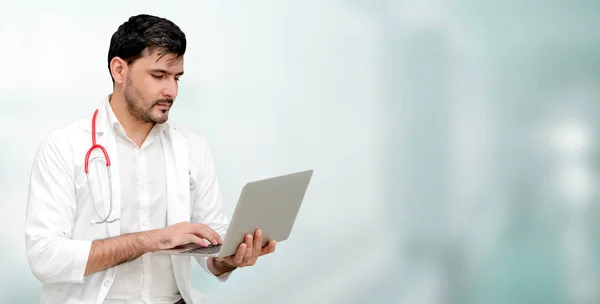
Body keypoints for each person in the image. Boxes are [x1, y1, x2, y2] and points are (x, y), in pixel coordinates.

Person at [24, 14, 276, 304]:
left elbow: (211, 252)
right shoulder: (63, 147)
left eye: (176, 78)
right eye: (159, 76)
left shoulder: (194, 148)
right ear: (120, 70)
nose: (171, 91)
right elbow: (44, 258)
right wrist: (153, 239)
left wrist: (229, 259)